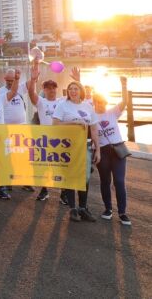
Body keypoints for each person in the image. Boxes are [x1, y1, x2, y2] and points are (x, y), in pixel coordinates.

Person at [53, 80, 100, 222]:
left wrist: (98, 149)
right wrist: (72, 123)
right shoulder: (62, 106)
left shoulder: (88, 106)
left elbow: (93, 129)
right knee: (70, 176)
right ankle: (73, 209)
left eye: (76, 89)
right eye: (70, 89)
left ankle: (83, 208)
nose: (73, 91)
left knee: (84, 177)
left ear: (81, 91)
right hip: (67, 146)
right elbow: (54, 125)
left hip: (84, 146)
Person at [93, 76, 130, 225]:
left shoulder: (112, 112)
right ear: (94, 102)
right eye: (98, 102)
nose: (101, 104)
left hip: (117, 150)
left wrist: (124, 85)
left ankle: (122, 212)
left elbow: (125, 102)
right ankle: (108, 209)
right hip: (102, 152)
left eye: (103, 102)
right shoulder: (92, 116)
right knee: (105, 181)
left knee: (119, 181)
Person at [26, 61, 63, 201]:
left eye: (53, 88)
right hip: (44, 139)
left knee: (59, 166)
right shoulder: (41, 102)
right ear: (44, 90)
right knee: (44, 166)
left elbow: (80, 98)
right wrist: (34, 79)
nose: (51, 90)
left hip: (60, 139)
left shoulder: (62, 102)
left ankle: (64, 193)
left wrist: (78, 81)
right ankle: (44, 190)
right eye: (48, 88)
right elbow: (31, 93)